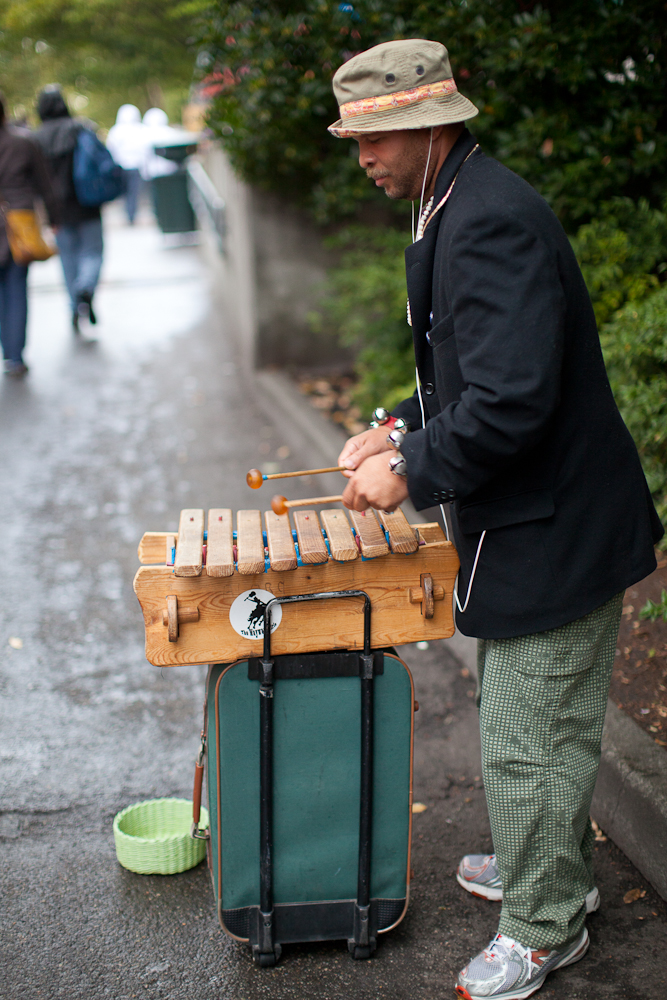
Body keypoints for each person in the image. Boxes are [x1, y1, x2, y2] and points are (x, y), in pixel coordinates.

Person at [327, 39, 663, 1000]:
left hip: (556, 525)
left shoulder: (487, 220)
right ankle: (546, 870)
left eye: (375, 138)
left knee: (527, 738)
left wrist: (409, 470)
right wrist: (395, 426)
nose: (362, 157)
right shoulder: (454, 200)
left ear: (428, 127)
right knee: (535, 725)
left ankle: (544, 926)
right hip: (537, 518)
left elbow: (512, 400)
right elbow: (466, 372)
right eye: (355, 140)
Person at [33, 85, 103, 332]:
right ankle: (86, 287)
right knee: (93, 253)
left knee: (68, 259)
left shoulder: (36, 139)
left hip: (57, 210)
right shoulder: (80, 128)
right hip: (87, 202)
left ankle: (74, 304)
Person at [0, 93, 59, 375]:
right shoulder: (23, 142)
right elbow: (45, 185)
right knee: (16, 288)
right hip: (19, 221)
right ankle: (15, 355)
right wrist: (55, 219)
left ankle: (9, 349)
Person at [106, 104, 145, 224]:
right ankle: (131, 215)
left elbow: (110, 149)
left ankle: (129, 214)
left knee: (126, 192)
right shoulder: (140, 130)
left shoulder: (115, 131)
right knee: (132, 192)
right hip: (133, 166)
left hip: (122, 166)